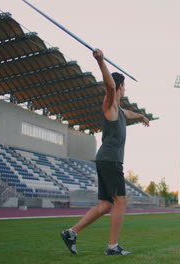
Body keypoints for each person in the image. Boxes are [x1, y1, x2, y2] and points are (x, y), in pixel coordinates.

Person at [61, 48, 149, 256]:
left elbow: (127, 112)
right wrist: (100, 61)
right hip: (110, 160)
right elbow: (109, 86)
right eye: (123, 87)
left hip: (106, 159)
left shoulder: (118, 111)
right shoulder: (109, 104)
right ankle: (112, 247)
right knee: (121, 201)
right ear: (120, 86)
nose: (124, 90)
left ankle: (71, 232)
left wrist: (141, 116)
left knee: (105, 205)